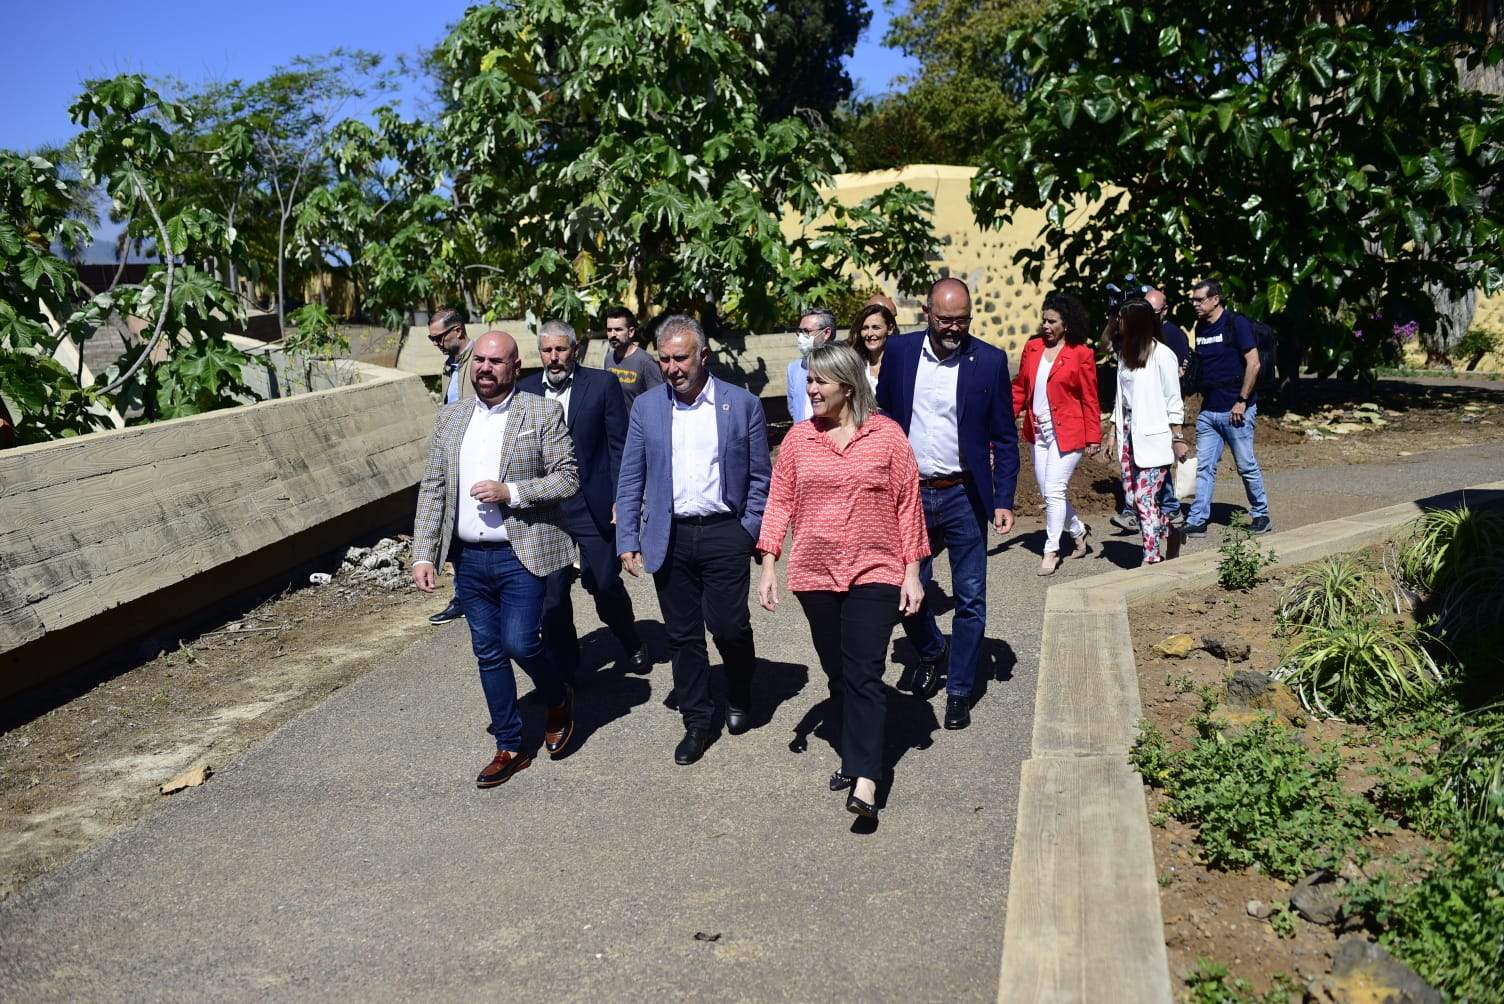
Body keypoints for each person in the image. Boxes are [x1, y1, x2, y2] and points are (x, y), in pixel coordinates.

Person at [756, 343, 927, 821]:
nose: (810, 389)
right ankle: (856, 752)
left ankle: (867, 778)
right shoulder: (798, 440)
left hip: (876, 568)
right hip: (814, 573)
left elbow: (908, 504)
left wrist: (912, 573)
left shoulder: (887, 437)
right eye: (809, 381)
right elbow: (779, 503)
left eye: (819, 382)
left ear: (847, 387)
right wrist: (768, 563)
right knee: (838, 671)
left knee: (865, 671)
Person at [410, 330, 581, 788]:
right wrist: (423, 553)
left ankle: (557, 695)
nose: (485, 369)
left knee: (521, 642)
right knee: (487, 652)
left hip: (519, 552)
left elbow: (568, 479)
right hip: (468, 559)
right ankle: (509, 744)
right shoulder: (451, 418)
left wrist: (513, 493)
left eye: (496, 362)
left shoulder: (540, 411)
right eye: (480, 361)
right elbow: (433, 489)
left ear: (515, 367)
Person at [616, 315, 771, 766]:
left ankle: (740, 689)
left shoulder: (741, 405)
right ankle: (698, 720)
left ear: (703, 356)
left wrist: (750, 530)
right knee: (683, 636)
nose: (671, 367)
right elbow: (631, 478)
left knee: (728, 625)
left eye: (680, 358)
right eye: (663, 358)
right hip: (670, 533)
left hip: (725, 530)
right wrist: (629, 535)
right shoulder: (647, 408)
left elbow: (761, 477)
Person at [875, 277, 1019, 731]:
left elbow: (1004, 436)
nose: (954, 328)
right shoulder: (899, 355)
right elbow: (882, 421)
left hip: (964, 494)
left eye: (962, 320)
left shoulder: (990, 361)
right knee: (901, 588)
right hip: (911, 492)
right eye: (945, 320)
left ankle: (958, 691)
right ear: (926, 313)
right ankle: (933, 651)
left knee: (971, 597)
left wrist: (1003, 497)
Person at [518, 320, 649, 682]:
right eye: (547, 351)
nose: (554, 358)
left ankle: (629, 636)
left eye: (561, 349)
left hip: (592, 502)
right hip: (547, 508)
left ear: (574, 350)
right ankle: (568, 666)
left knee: (604, 583)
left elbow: (619, 446)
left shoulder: (602, 383)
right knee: (553, 596)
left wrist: (623, 500)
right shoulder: (525, 391)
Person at [1012, 292, 1100, 576]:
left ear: (1067, 324)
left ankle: (1051, 549)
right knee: (1049, 492)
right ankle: (1078, 531)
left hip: (1069, 432)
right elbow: (1020, 388)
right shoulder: (1033, 348)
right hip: (1039, 433)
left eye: (1052, 321)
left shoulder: (1081, 354)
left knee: (1054, 490)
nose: (1046, 326)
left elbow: (1090, 397)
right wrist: (1006, 418)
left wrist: (1094, 436)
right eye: (1044, 321)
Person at [1100, 301, 1189, 565]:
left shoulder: (1163, 355)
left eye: (1123, 319)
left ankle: (1151, 558)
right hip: (1129, 438)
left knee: (1143, 498)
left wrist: (1178, 437)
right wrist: (1112, 431)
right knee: (1133, 498)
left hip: (1155, 439)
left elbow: (1174, 400)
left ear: (1137, 322)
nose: (1119, 323)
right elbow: (1120, 399)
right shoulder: (1125, 355)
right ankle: (1172, 532)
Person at [1184, 279, 1272, 536]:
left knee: (1245, 465)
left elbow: (1253, 364)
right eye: (1194, 300)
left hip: (1237, 410)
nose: (1195, 304)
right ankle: (1197, 519)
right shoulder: (1200, 327)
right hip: (1209, 411)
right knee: (1204, 467)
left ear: (1215, 299)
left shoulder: (1237, 324)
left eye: (1199, 299)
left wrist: (1242, 401)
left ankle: (1260, 514)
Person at [426, 307, 472, 626]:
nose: (436, 343)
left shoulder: (480, 359)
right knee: (452, 527)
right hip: (453, 456)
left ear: (457, 330)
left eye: (439, 337)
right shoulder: (449, 367)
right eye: (432, 339)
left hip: (477, 455)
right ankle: (464, 594)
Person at [600, 305, 665, 407]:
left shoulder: (645, 362)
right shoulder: (609, 358)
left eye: (618, 330)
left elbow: (659, 401)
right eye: (609, 330)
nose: (612, 334)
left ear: (631, 332)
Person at [786, 308, 837, 423]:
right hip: (802, 437)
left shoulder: (842, 366)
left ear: (826, 333)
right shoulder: (794, 368)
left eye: (806, 331)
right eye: (800, 332)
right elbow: (794, 409)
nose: (801, 337)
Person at [848, 302, 897, 391]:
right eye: (865, 328)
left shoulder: (901, 363)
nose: (869, 334)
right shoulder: (854, 364)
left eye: (876, 328)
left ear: (889, 329)